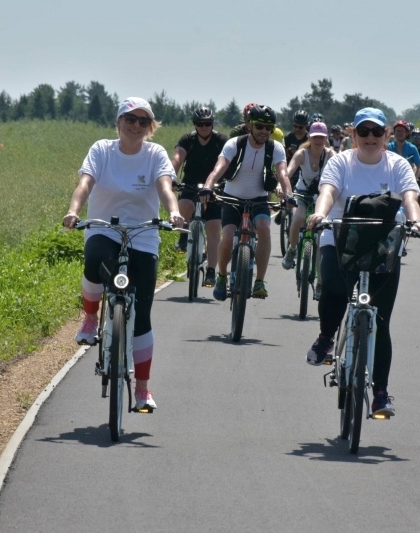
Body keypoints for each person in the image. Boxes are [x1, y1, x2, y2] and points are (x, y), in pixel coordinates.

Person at [305, 108, 420, 417]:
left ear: (387, 135)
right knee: (334, 289)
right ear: (354, 136)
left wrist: (416, 222)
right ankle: (326, 337)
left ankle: (381, 393)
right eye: (364, 132)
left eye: (377, 132)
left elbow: (410, 198)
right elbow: (328, 191)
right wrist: (320, 214)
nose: (370, 138)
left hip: (384, 244)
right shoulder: (340, 162)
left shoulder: (398, 165)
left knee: (381, 321)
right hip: (339, 237)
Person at [63, 97, 183, 411]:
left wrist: (173, 213)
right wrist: (74, 211)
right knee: (94, 260)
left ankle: (142, 389)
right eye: (130, 119)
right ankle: (90, 319)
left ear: (151, 127)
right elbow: (85, 183)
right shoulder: (102, 150)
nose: (136, 126)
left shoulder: (155, 154)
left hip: (143, 235)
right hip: (105, 229)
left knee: (142, 316)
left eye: (144, 121)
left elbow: (165, 187)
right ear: (119, 122)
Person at [201, 104, 293, 300]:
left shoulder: (275, 147)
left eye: (269, 128)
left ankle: (259, 281)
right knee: (227, 236)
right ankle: (222, 276)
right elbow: (219, 167)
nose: (264, 131)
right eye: (260, 126)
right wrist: (208, 186)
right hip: (232, 198)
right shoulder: (235, 143)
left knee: (264, 229)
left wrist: (289, 194)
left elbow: (283, 173)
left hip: (259, 199)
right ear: (250, 125)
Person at [171, 106, 228, 286]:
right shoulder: (188, 139)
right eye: (200, 124)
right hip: (190, 183)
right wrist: (171, 177)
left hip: (215, 187)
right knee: (184, 205)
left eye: (207, 123)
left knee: (213, 228)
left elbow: (226, 162)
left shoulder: (221, 141)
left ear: (212, 124)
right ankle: (182, 237)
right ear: (195, 125)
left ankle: (211, 271)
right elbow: (178, 159)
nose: (204, 127)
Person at [281, 121, 336, 277]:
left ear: (326, 138)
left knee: (321, 237)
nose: (318, 140)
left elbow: (341, 174)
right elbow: (288, 171)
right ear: (309, 137)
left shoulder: (331, 155)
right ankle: (291, 250)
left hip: (322, 196)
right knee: (298, 218)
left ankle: (320, 281)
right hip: (302, 193)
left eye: (321, 137)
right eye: (315, 137)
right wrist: (281, 186)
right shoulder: (302, 153)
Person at [387, 119, 420, 213]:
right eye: (397, 131)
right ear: (394, 133)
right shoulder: (388, 147)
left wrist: (414, 179)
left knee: (409, 203)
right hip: (390, 180)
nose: (399, 133)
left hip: (406, 181)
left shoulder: (412, 148)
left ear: (407, 133)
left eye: (402, 131)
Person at [284, 110, 310, 190]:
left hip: (304, 172)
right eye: (295, 126)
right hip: (290, 171)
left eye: (300, 127)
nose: (297, 129)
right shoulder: (288, 138)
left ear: (306, 126)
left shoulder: (309, 139)